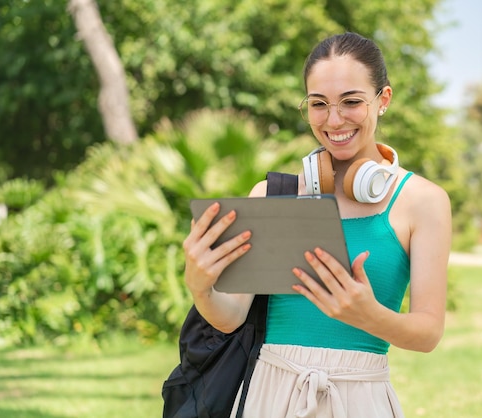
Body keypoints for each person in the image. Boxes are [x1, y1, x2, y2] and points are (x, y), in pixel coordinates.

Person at [183, 32, 452, 418]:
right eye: (319, 104)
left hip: (359, 399)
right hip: (270, 395)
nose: (334, 119)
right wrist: (200, 286)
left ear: (384, 100)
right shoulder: (271, 195)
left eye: (352, 102)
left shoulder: (423, 202)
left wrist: (367, 314)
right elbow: (230, 317)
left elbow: (428, 333)